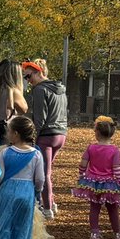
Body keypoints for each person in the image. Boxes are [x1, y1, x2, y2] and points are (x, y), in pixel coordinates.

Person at [24, 59, 67, 220]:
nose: (28, 81)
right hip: (61, 134)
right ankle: (52, 203)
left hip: (47, 136)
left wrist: (32, 137)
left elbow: (39, 118)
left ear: (38, 72)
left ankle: (47, 209)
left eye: (28, 77)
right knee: (48, 171)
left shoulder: (40, 89)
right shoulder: (60, 89)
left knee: (44, 173)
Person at [73, 116, 120, 239]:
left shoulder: (91, 148)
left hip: (93, 183)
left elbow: (83, 163)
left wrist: (82, 175)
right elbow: (117, 170)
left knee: (94, 207)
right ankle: (117, 232)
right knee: (113, 208)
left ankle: (94, 233)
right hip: (109, 184)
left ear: (97, 133)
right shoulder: (115, 150)